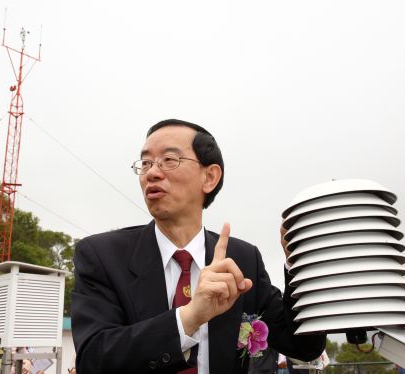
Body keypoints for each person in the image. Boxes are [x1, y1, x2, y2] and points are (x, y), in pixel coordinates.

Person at [71, 119, 326, 373]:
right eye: (146, 162)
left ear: (210, 177)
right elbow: (93, 359)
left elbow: (303, 346)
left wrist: (299, 262)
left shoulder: (243, 259)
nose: (152, 173)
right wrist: (189, 318)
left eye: (169, 160)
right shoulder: (102, 256)